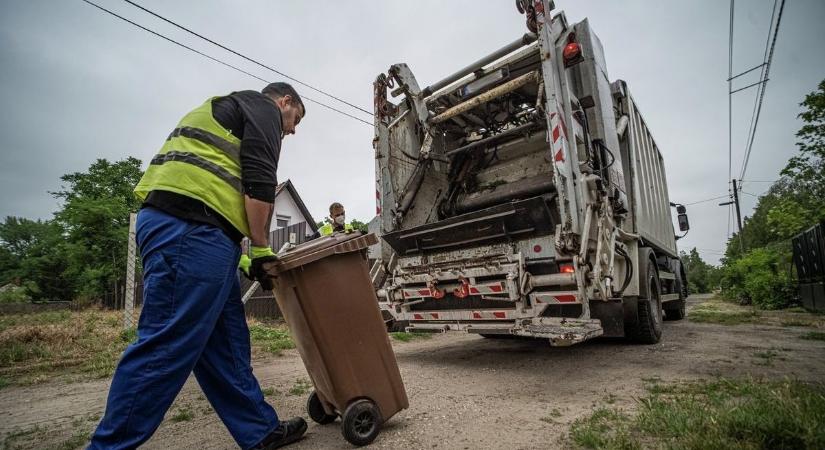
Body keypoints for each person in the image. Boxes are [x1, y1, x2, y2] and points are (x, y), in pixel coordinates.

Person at [89, 83, 307, 450]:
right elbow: (259, 178)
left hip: (198, 232)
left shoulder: (229, 109)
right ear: (284, 101)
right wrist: (260, 249)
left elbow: (225, 192)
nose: (293, 129)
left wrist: (239, 255)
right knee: (166, 345)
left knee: (226, 345)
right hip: (189, 228)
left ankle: (259, 430)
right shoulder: (263, 107)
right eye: (295, 118)